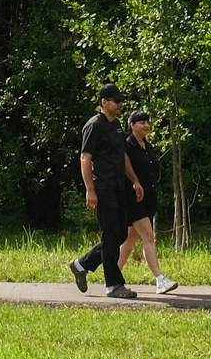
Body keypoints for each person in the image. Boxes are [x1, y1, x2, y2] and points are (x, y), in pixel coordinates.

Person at [67, 85, 145, 300]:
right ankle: (114, 285)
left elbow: (123, 157)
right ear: (104, 102)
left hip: (119, 185)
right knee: (111, 236)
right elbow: (85, 158)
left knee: (120, 234)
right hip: (103, 187)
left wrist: (134, 180)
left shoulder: (117, 126)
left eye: (121, 101)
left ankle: (82, 264)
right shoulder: (94, 126)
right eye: (116, 101)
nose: (120, 104)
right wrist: (90, 190)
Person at [118, 111, 179, 295]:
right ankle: (160, 280)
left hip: (148, 198)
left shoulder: (148, 146)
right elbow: (124, 170)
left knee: (129, 240)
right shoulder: (127, 146)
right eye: (141, 122)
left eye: (147, 122)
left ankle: (112, 277)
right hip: (133, 198)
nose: (145, 125)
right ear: (131, 125)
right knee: (149, 237)